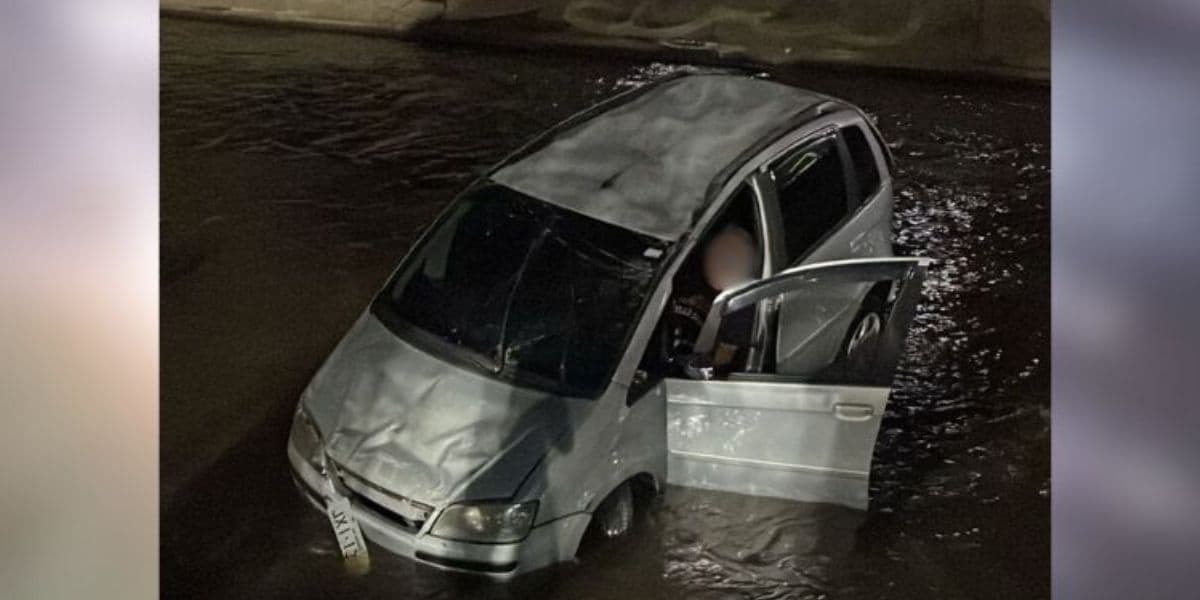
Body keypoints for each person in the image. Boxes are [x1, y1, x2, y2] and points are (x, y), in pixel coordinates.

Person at [663, 224, 758, 375]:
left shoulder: (742, 307)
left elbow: (720, 363)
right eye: (720, 252)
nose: (723, 262)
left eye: (733, 256)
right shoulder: (680, 278)